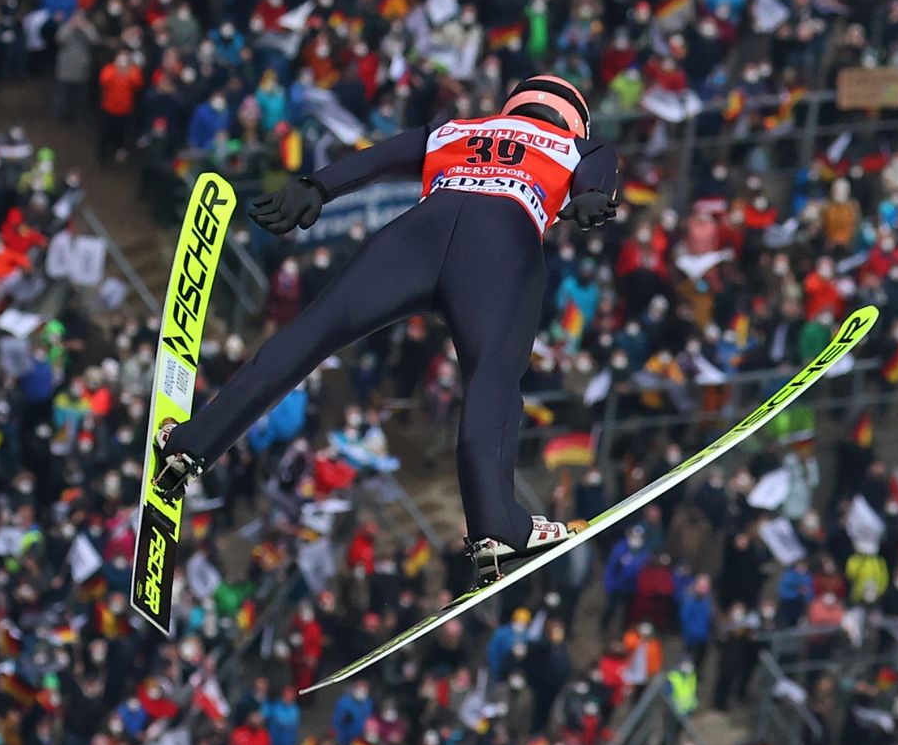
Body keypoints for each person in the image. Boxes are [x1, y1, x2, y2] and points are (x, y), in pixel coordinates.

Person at [155, 75, 622, 584]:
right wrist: (595, 196)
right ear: (576, 118)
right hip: (501, 246)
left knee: (310, 335)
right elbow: (597, 174)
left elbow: (375, 159)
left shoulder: (457, 127)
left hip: (416, 239)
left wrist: (315, 188)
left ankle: (191, 444)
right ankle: (495, 528)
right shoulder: (580, 145)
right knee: (494, 383)